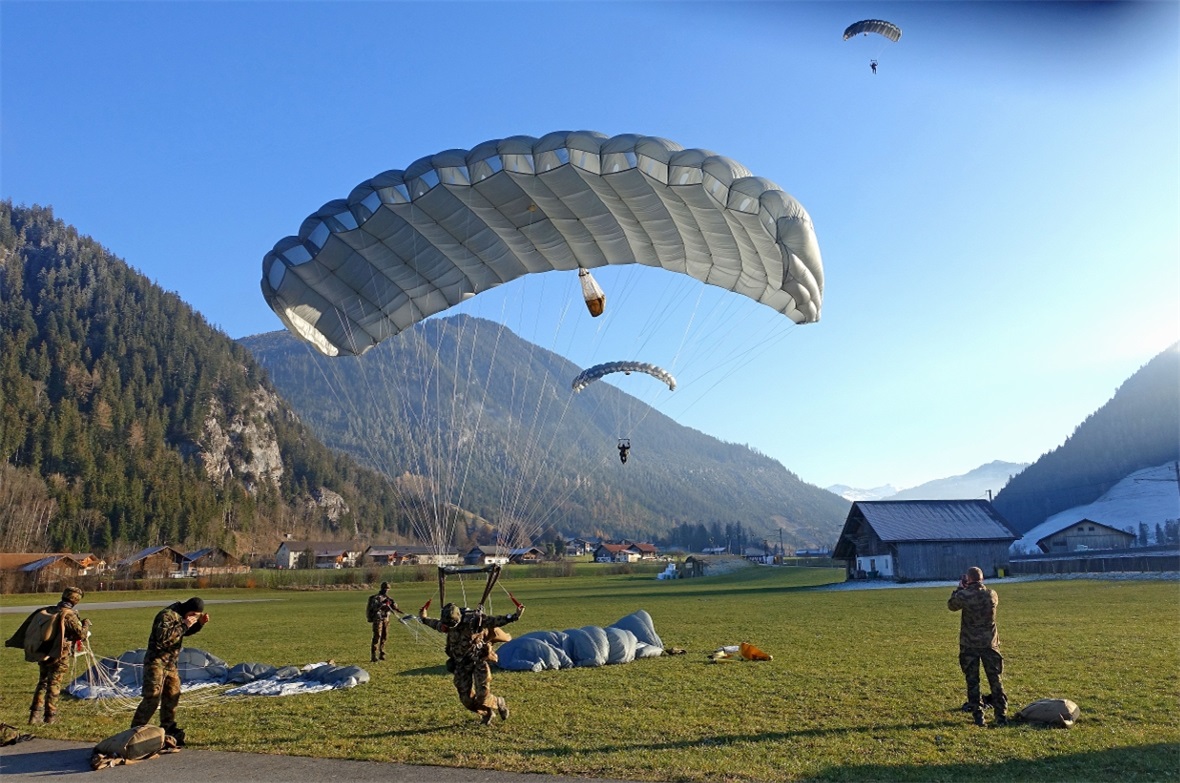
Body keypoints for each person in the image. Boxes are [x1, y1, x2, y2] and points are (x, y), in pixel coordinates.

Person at [419, 601, 523, 724]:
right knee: (466, 699)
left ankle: (499, 702)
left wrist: (514, 616)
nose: (450, 627)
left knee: (482, 696)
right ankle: (487, 713)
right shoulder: (446, 623)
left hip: (478, 660)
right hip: (461, 664)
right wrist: (424, 618)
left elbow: (495, 621)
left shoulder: (474, 620)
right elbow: (434, 623)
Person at [130, 596, 209, 744]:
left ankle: (168, 727)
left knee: (172, 695)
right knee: (152, 697)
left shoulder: (181, 616)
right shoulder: (166, 616)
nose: (193, 618)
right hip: (156, 662)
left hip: (170, 664)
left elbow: (182, 633)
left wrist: (198, 625)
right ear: (189, 611)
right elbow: (163, 638)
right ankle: (135, 731)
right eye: (194, 616)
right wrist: (185, 625)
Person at [15, 587, 90, 724]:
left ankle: (34, 715)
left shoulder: (50, 610)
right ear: (76, 600)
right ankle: (50, 717)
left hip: (44, 652)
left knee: (42, 682)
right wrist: (85, 624)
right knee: (54, 684)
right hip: (60, 654)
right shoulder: (69, 615)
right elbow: (81, 635)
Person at [948, 567, 1008, 727]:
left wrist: (960, 589)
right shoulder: (992, 594)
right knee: (995, 680)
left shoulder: (964, 595)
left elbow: (951, 605)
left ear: (968, 579)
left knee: (973, 682)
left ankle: (978, 717)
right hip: (990, 643)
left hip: (969, 644)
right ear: (982, 578)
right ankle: (1001, 715)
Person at [366, 581, 401, 662]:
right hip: (378, 619)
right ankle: (374, 655)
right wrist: (382, 605)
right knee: (377, 635)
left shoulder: (389, 599)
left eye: (388, 589)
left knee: (384, 636)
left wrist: (394, 605)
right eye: (385, 589)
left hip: (386, 619)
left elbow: (394, 608)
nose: (386, 591)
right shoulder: (375, 598)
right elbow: (374, 608)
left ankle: (382, 653)